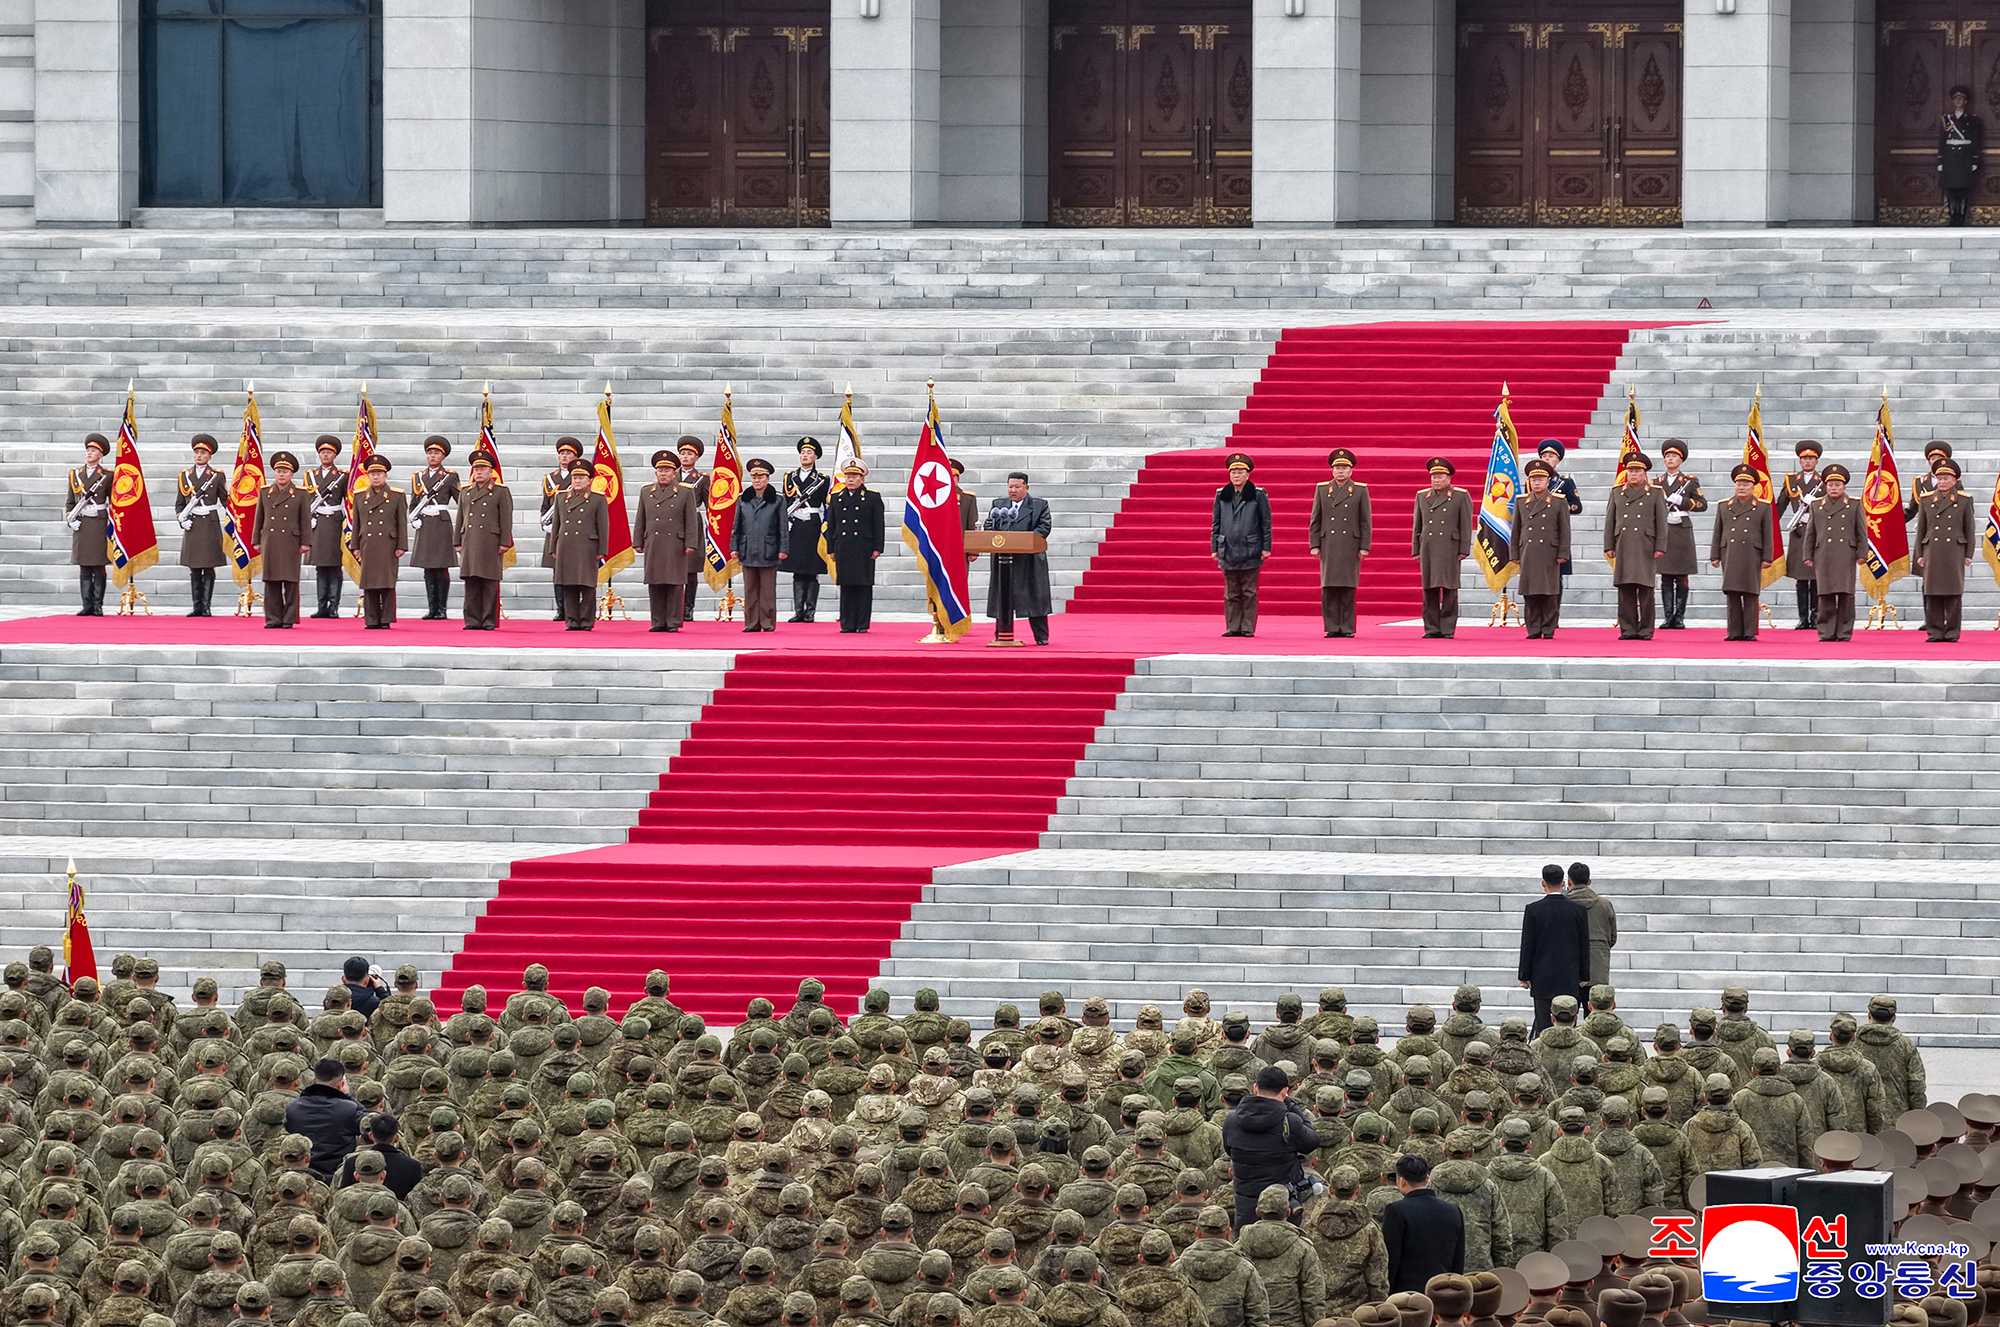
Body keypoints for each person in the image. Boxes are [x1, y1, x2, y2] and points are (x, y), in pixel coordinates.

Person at [1221, 1065, 1321, 1233]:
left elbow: (1229, 1151)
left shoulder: (1231, 1120)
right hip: (1282, 1205)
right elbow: (1312, 1141)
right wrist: (1290, 1104)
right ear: (1284, 1092)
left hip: (1246, 1204)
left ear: (1255, 1088)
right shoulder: (1289, 1121)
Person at [634, 447, 703, 634]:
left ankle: (673, 621)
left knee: (674, 583)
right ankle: (657, 621)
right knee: (655, 582)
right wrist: (637, 541)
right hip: (654, 543)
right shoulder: (646, 491)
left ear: (674, 473)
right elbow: (641, 518)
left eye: (667, 470)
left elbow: (691, 521)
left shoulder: (684, 492)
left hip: (675, 544)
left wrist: (691, 543)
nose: (663, 473)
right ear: (655, 472)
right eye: (660, 470)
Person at [1518, 865, 1588, 1037]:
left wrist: (1524, 976)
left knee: (1544, 1027)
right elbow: (1584, 945)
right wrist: (1584, 975)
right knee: (1568, 1025)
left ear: (1543, 883)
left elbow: (1527, 945)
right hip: (1569, 977)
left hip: (1542, 977)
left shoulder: (1533, 910)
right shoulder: (1578, 910)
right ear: (1563, 883)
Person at [985, 471, 1054, 646]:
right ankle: (1002, 634)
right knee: (1002, 596)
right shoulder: (998, 505)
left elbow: (1044, 528)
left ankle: (1041, 636)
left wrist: (1023, 541)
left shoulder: (1039, 505)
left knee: (1034, 597)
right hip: (1003, 558)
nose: (1013, 490)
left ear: (1026, 487)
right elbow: (991, 526)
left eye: (1017, 487)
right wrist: (989, 529)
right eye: (1010, 487)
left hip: (1028, 560)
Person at [1308, 448, 1370, 639]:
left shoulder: (1359, 490)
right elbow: (1315, 519)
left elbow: (1365, 521)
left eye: (1344, 468)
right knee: (1329, 587)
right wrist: (1314, 544)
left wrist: (1364, 546)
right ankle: (1332, 626)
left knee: (1348, 586)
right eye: (1337, 468)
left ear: (1351, 470)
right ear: (1332, 470)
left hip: (1350, 544)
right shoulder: (1322, 489)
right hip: (1329, 544)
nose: (1340, 471)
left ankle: (1347, 626)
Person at [1603, 453, 1666, 640]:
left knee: (1646, 589)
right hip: (1623, 544)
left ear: (1645, 473)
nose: (1633, 474)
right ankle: (1628, 629)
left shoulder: (1655, 493)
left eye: (1637, 471)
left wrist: (1660, 546)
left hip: (1646, 545)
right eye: (1630, 471)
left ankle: (1646, 629)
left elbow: (1661, 523)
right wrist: (1609, 546)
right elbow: (1610, 521)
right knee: (1625, 589)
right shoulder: (1617, 492)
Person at [1381, 1156, 1464, 1294]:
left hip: (1408, 1296)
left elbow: (1391, 1259)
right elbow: (1458, 1260)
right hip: (1444, 1290)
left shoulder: (1396, 1211)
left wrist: (1388, 1294)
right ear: (1427, 1179)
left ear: (1401, 1181)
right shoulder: (1453, 1210)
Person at [1709, 464, 1772, 642]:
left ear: (1753, 487)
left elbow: (1768, 534)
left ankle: (1749, 631)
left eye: (1746, 484)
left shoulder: (1762, 507)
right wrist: (1715, 555)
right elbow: (1718, 532)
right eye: (1739, 484)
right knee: (1732, 592)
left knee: (1751, 593)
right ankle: (1734, 631)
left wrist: (1767, 557)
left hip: (1752, 554)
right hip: (1730, 553)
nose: (1742, 487)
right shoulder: (1724, 506)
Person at [1914, 457, 1975, 643]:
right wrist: (1919, 554)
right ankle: (1935, 631)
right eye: (1939, 478)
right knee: (1932, 592)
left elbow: (1969, 529)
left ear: (1954, 480)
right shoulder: (1926, 499)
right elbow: (1921, 529)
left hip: (1954, 551)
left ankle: (1952, 632)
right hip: (1932, 550)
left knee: (1953, 591)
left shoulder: (1964, 500)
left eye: (1946, 478)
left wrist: (1968, 554)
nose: (1942, 482)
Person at [1212, 453, 1272, 639]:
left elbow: (1266, 523)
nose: (1236, 475)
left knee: (1248, 591)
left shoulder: (1258, 495)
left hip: (1250, 548)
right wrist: (1214, 547)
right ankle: (1233, 626)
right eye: (1233, 472)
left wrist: (1266, 547)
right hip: (1228, 548)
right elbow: (1216, 523)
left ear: (1248, 474)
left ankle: (1247, 627)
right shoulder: (1222, 495)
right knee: (1231, 592)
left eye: (1240, 472)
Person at [1801, 462, 1863, 643]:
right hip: (1823, 555)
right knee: (1825, 594)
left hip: (1846, 554)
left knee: (1846, 594)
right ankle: (1826, 631)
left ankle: (1844, 632)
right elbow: (1811, 533)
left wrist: (1862, 554)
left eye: (1837, 484)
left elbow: (1861, 532)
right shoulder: (1817, 505)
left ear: (1844, 486)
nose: (1834, 488)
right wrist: (1807, 555)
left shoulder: (1854, 505)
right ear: (1825, 486)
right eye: (1830, 485)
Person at [1411, 458, 1473, 639]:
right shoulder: (1422, 496)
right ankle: (1431, 628)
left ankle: (1447, 628)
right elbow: (1418, 524)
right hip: (1429, 547)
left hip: (1449, 547)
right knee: (1429, 588)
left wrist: (1464, 548)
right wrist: (1416, 548)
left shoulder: (1460, 496)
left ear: (1449, 478)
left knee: (1449, 588)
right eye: (1434, 477)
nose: (1436, 480)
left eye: (1440, 477)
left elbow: (1465, 525)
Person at [454, 447, 513, 632]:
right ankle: (472, 619)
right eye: (476, 469)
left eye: (482, 469)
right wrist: (457, 541)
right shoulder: (466, 492)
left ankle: (488, 620)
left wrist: (505, 542)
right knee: (471, 582)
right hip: (470, 541)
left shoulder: (500, 491)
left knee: (489, 582)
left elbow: (506, 519)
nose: (478, 472)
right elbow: (460, 518)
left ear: (490, 471)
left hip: (490, 542)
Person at [1510, 459, 1570, 640]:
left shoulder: (1558, 502)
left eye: (1540, 479)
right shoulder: (1522, 501)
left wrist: (1563, 553)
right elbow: (1516, 530)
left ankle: (1548, 627)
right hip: (1528, 552)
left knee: (1549, 592)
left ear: (1547, 481)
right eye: (1533, 479)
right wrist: (1514, 553)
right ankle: (1533, 628)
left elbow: (1564, 530)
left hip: (1549, 552)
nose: (1536, 483)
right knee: (1530, 592)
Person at [551, 457, 612, 631]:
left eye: (581, 477)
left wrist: (602, 549)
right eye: (574, 477)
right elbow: (556, 525)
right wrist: (553, 547)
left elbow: (603, 526)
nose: (577, 480)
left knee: (587, 585)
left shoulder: (597, 499)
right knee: (568, 584)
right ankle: (571, 620)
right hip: (566, 545)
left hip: (587, 547)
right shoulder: (561, 497)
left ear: (590, 480)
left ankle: (586, 620)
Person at [826, 460, 886, 633]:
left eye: (854, 476)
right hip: (843, 547)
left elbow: (878, 525)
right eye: (848, 476)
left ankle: (861, 623)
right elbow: (832, 525)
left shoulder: (872, 498)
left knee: (863, 585)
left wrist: (878, 548)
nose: (850, 479)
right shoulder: (837, 498)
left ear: (862, 479)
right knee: (846, 585)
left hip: (864, 548)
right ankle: (847, 623)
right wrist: (831, 548)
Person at [350, 452, 408, 630]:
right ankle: (371, 618)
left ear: (385, 475)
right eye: (372, 474)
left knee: (387, 582)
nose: (375, 477)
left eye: (379, 474)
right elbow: (356, 523)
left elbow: (401, 523)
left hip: (388, 544)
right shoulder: (360, 496)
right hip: (367, 544)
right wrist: (355, 545)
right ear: (368, 476)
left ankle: (386, 618)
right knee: (369, 582)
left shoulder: (396, 495)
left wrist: (402, 545)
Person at [254, 451, 311, 629]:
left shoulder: (300, 493)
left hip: (291, 542)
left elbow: (305, 520)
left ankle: (289, 618)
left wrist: (305, 542)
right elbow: (259, 517)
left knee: (291, 581)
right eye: (279, 471)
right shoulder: (265, 492)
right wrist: (256, 540)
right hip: (270, 540)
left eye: (285, 472)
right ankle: (273, 618)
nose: (281, 475)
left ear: (291, 474)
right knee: (271, 581)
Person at [285, 1057, 365, 1178]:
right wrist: (346, 1096)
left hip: (302, 1175)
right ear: (341, 1084)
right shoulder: (349, 1109)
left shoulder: (293, 1108)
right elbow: (368, 1125)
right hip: (338, 1176)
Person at [1656, 440, 1707, 630]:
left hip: (1682, 531)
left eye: (1674, 456)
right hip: (1664, 529)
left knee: (1682, 576)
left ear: (1681, 460)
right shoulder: (1656, 482)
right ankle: (1668, 616)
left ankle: (1679, 617)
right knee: (1666, 576)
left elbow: (1702, 505)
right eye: (1667, 456)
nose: (1670, 459)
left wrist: (1683, 501)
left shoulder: (1689, 481)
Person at [176, 433, 227, 617]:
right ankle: (196, 606)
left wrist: (236, 517)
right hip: (193, 524)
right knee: (194, 567)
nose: (199, 455)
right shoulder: (184, 476)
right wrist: (182, 520)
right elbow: (179, 504)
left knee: (209, 565)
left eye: (203, 453)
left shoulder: (217, 476)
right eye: (197, 452)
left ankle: (206, 606)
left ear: (209, 456)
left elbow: (225, 500)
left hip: (210, 523)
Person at [1777, 440, 1826, 630]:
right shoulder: (1791, 481)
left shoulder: (1824, 481)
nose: (1807, 461)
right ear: (1799, 460)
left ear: (1816, 461)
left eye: (1811, 458)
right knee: (1801, 578)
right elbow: (1780, 506)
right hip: (1798, 532)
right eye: (1804, 458)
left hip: (1817, 532)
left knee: (1816, 577)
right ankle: (1803, 618)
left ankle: (1815, 617)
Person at [410, 436, 459, 620]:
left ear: (443, 456)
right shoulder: (418, 477)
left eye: (437, 453)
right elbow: (414, 502)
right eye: (430, 453)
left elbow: (460, 500)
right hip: (424, 523)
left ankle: (442, 609)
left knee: (441, 567)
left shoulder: (449, 476)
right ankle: (432, 608)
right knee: (428, 568)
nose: (432, 456)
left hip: (440, 522)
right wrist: (413, 518)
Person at [734, 458, 785, 632]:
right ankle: (751, 622)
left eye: (761, 477)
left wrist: (783, 549)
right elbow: (737, 526)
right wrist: (734, 547)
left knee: (767, 590)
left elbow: (783, 527)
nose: (757, 480)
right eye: (754, 477)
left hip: (768, 549)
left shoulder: (777, 500)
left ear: (767, 478)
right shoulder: (743, 499)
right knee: (750, 589)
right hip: (747, 549)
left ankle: (767, 622)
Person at [66, 432, 114, 616]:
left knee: (98, 565)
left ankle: (97, 605)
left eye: (93, 451)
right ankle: (87, 605)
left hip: (98, 524)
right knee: (84, 565)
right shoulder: (75, 474)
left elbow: (114, 502)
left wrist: (103, 513)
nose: (89, 453)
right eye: (88, 450)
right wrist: (70, 520)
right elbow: (70, 501)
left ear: (100, 455)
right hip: (82, 523)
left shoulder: (107, 475)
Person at [784, 437, 830, 622]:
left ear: (815, 457)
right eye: (802, 452)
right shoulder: (789, 477)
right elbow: (786, 502)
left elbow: (827, 505)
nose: (805, 455)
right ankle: (798, 611)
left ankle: (810, 611)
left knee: (812, 569)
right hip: (795, 524)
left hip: (812, 525)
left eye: (809, 452)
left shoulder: (822, 480)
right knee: (797, 569)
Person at [1536, 440, 1583, 611]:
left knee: (1556, 578)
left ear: (1558, 460)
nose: (1547, 459)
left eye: (1551, 456)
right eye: (1544, 456)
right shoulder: (1531, 482)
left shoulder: (1565, 482)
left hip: (1555, 535)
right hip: (1535, 536)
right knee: (1535, 577)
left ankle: (1552, 615)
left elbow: (1576, 506)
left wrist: (1558, 508)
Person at [541, 436, 584, 621]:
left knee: (577, 571)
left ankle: (576, 608)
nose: (564, 456)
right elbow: (545, 505)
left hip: (575, 531)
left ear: (576, 457)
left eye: (568, 453)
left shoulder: (582, 478)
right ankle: (561, 609)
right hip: (555, 532)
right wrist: (546, 524)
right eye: (561, 453)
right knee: (557, 571)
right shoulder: (550, 478)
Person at [307, 435, 349, 618]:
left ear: (335, 455)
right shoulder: (310, 475)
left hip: (334, 523)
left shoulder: (342, 476)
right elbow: (306, 500)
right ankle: (321, 606)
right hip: (317, 523)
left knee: (334, 566)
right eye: (323, 452)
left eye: (329, 452)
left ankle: (333, 606)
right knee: (320, 567)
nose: (325, 455)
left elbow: (349, 501)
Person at [336, 1114, 426, 1198]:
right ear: (396, 1137)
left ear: (371, 1135)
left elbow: (343, 1196)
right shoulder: (413, 1166)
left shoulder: (352, 1162)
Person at [1564, 864, 1616, 999]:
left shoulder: (1562, 905)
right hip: (1598, 966)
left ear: (1569, 882)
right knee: (1596, 1008)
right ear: (1589, 882)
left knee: (1567, 1008)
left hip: (1568, 967)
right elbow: (1612, 937)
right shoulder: (1605, 904)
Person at [676, 436, 712, 621]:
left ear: (696, 457)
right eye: (682, 453)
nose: (685, 457)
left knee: (690, 570)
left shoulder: (702, 479)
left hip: (692, 524)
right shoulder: (670, 474)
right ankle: (674, 607)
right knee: (673, 568)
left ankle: (688, 608)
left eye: (689, 454)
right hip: (673, 524)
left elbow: (709, 504)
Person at [1940, 84, 1983, 227]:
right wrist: (1940, 161)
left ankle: (1962, 218)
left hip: (1965, 158)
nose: (1958, 101)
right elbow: (1942, 141)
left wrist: (1975, 160)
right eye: (1956, 98)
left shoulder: (1974, 120)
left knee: (1964, 189)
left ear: (1966, 101)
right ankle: (1953, 217)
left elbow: (1976, 141)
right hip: (1950, 158)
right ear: (1952, 101)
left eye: (1961, 98)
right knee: (1950, 189)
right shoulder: (1946, 119)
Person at [1905, 441, 1955, 521]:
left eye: (1939, 458)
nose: (1935, 461)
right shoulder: (1920, 482)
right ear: (1929, 462)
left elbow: (1962, 507)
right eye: (1933, 459)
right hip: (1927, 526)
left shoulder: (1953, 482)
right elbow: (1911, 510)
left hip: (1948, 525)